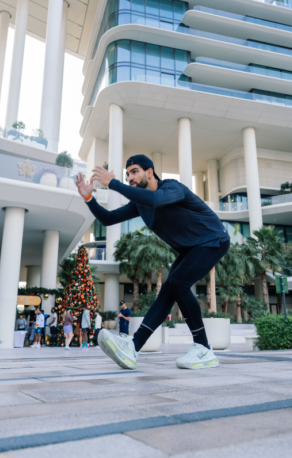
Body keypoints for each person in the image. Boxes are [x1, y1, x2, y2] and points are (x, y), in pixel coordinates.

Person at [77, 155, 230, 370]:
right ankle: (133, 347)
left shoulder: (172, 188)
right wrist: (88, 198)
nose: (130, 177)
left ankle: (203, 348)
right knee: (168, 290)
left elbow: (155, 200)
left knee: (178, 283)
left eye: (135, 171)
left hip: (214, 239)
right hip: (190, 249)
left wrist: (112, 183)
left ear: (150, 172)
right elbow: (108, 219)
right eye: (127, 173)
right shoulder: (140, 204)